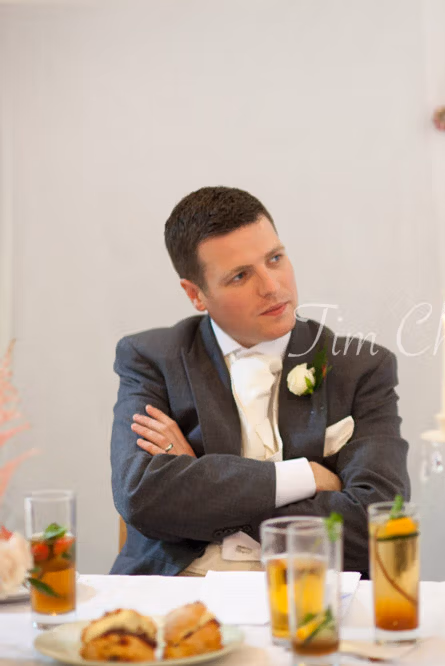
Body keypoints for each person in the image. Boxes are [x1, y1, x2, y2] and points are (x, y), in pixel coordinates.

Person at [109, 186, 409, 576]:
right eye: (239, 276)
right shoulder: (151, 358)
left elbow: (377, 524)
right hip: (178, 590)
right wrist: (305, 477)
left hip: (313, 592)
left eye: (275, 258)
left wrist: (198, 481)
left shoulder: (361, 367)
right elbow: (141, 496)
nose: (271, 286)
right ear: (196, 294)